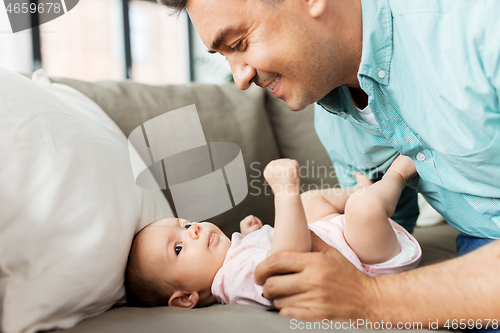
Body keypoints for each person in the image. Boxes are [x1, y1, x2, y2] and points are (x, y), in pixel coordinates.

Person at [158, 0, 500, 326]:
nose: (240, 78)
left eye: (240, 42)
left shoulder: (477, 29)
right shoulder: (334, 120)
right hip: (478, 245)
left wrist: (370, 297)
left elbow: (375, 280)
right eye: (224, 56)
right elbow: (387, 233)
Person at [125, 156, 421, 308]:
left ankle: (360, 191)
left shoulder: (233, 261)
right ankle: (398, 175)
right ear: (185, 298)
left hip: (339, 240)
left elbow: (264, 252)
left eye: (186, 224)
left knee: (310, 202)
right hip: (367, 264)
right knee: (363, 209)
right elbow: (288, 259)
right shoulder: (231, 282)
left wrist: (250, 235)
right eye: (178, 248)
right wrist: (284, 191)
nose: (194, 230)